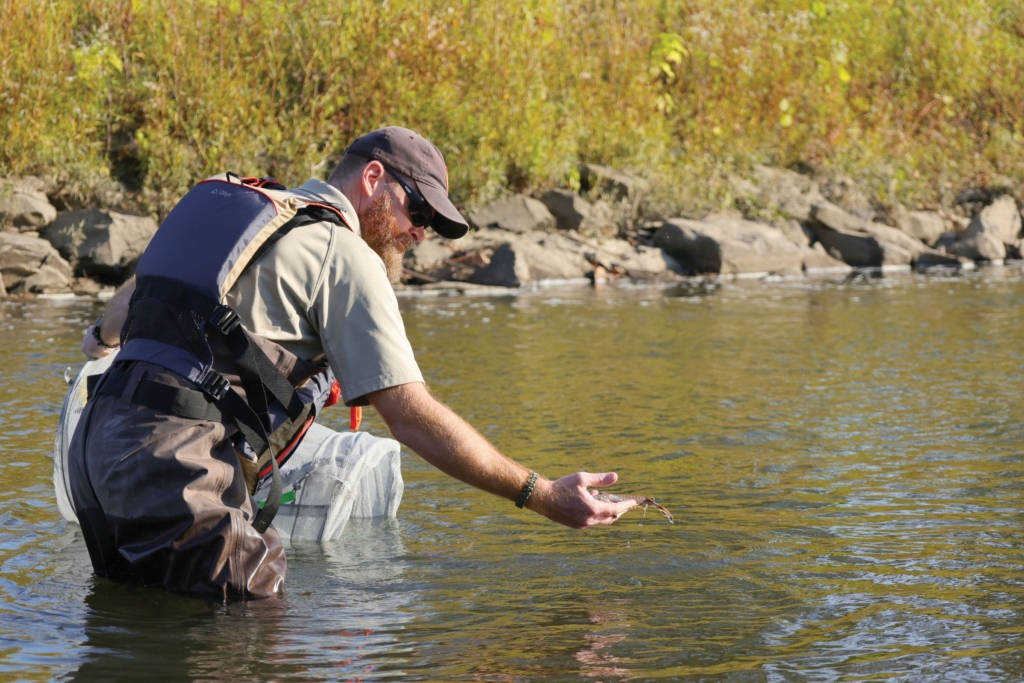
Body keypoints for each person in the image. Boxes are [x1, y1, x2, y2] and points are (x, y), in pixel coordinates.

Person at [72, 127, 637, 598]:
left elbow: (118, 318)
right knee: (251, 643)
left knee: (139, 620)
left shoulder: (244, 216)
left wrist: (100, 337)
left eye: (433, 225)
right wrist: (540, 493)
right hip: (179, 467)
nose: (420, 231)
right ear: (373, 179)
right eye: (417, 209)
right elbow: (411, 418)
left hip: (94, 453)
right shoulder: (343, 252)